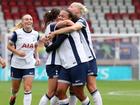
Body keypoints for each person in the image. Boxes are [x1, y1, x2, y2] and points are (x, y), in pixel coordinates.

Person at [46, 2, 103, 105]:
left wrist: (54, 32)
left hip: (87, 58)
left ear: (78, 10)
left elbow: (72, 27)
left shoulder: (81, 21)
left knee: (91, 87)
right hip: (73, 61)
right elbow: (60, 24)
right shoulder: (71, 21)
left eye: (71, 6)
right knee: (66, 90)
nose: (69, 7)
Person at [7, 14, 41, 105]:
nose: (29, 21)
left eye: (30, 19)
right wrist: (18, 53)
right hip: (16, 64)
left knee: (27, 88)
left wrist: (37, 58)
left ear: (32, 21)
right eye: (26, 19)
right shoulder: (17, 33)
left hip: (29, 64)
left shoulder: (36, 34)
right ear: (22, 22)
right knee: (15, 89)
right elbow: (8, 46)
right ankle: (13, 95)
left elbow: (36, 46)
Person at [38, 8, 61, 105]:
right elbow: (48, 44)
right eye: (60, 15)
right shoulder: (52, 26)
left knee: (58, 92)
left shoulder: (51, 26)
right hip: (53, 62)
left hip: (61, 62)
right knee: (51, 92)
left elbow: (46, 43)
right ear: (57, 16)